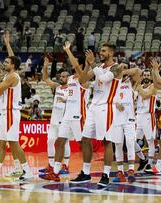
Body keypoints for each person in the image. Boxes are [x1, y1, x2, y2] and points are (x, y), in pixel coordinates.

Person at [40, 42, 90, 182]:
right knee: (59, 142)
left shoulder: (83, 78)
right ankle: (55, 172)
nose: (71, 64)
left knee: (83, 143)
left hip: (78, 115)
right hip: (67, 116)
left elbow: (77, 67)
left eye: (75, 63)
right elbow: (48, 79)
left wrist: (68, 51)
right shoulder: (70, 79)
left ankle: (86, 172)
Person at [0, 55, 33, 181]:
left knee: (14, 143)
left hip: (11, 113)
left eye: (7, 62)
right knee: (0, 142)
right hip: (5, 113)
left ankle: (27, 170)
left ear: (13, 65)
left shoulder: (12, 76)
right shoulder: (7, 76)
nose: (4, 63)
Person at [81, 42, 123, 186]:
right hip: (93, 106)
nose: (101, 53)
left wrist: (93, 64)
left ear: (111, 53)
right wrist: (88, 65)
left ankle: (105, 174)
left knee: (106, 141)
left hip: (107, 107)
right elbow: (82, 80)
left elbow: (104, 79)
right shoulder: (98, 67)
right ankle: (85, 173)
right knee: (85, 139)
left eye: (104, 51)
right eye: (101, 50)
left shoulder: (117, 67)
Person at [38, 56, 70, 175]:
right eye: (60, 76)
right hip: (54, 120)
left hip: (65, 120)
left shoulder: (72, 89)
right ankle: (51, 165)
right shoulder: (57, 87)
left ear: (69, 78)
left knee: (65, 142)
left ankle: (65, 166)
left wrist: (66, 100)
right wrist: (45, 67)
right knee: (50, 141)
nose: (61, 78)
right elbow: (46, 78)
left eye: (64, 76)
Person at [112, 64, 141, 183]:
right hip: (116, 117)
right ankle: (120, 172)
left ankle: (130, 170)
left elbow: (137, 71)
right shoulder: (113, 82)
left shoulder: (131, 82)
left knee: (130, 143)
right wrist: (115, 103)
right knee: (118, 144)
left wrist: (123, 70)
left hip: (129, 118)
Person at [134, 69, 158, 172]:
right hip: (139, 116)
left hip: (149, 116)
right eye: (145, 75)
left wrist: (138, 86)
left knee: (150, 141)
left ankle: (149, 164)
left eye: (148, 75)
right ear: (143, 76)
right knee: (132, 140)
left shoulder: (153, 86)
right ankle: (143, 158)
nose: (147, 76)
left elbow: (145, 95)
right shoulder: (139, 86)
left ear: (151, 77)